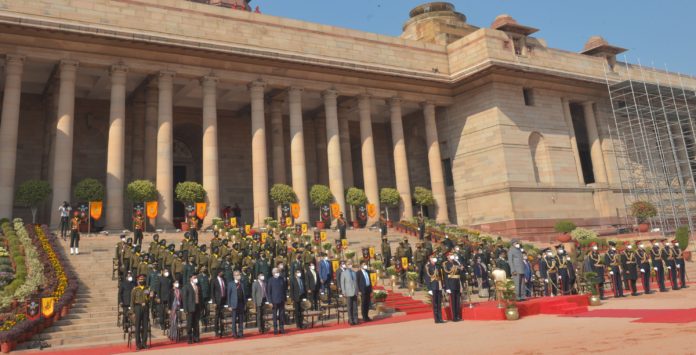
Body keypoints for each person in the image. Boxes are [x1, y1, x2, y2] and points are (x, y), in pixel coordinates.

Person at [130, 274, 152, 350]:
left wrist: (151, 297)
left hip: (145, 307)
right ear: (137, 281)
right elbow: (132, 302)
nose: (142, 281)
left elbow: (149, 299)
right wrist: (132, 312)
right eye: (140, 279)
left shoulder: (147, 288)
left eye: (143, 279)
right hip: (137, 307)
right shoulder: (135, 289)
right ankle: (138, 345)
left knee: (145, 327)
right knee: (138, 327)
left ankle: (144, 344)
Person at [182, 274, 201, 344]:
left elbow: (200, 297)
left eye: (196, 277)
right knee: (189, 324)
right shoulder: (186, 287)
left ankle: (196, 337)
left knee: (196, 324)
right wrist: (185, 309)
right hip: (190, 308)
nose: (196, 279)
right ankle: (189, 338)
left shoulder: (198, 286)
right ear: (191, 279)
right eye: (194, 277)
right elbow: (184, 299)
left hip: (197, 306)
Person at [267, 267, 287, 334]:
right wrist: (269, 301)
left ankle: (282, 328)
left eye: (278, 272)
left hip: (281, 300)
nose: (277, 273)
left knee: (281, 315)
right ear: (273, 273)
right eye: (276, 272)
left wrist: (285, 299)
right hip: (274, 301)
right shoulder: (270, 280)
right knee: (275, 316)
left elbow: (284, 289)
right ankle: (275, 329)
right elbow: (268, 292)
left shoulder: (281, 279)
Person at [443, 254, 461, 322]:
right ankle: (454, 317)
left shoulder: (456, 263)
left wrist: (460, 265)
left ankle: (458, 316)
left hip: (457, 284)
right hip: (451, 284)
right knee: (453, 302)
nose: (452, 257)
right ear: (447, 257)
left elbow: (460, 272)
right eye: (450, 256)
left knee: (457, 301)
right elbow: (446, 276)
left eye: (452, 256)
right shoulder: (446, 264)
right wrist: (447, 287)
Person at [425, 255, 444, 323]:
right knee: (435, 303)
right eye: (433, 258)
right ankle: (436, 319)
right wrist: (429, 289)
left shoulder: (438, 266)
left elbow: (441, 276)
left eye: (435, 258)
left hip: (438, 285)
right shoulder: (428, 267)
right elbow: (427, 278)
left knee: (439, 302)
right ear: (430, 259)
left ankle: (440, 318)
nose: (434, 259)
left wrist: (442, 285)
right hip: (433, 285)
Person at [227, 271, 245, 338]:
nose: (239, 276)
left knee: (241, 319)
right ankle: (234, 333)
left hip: (241, 304)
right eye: (237, 275)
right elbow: (228, 295)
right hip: (234, 304)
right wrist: (229, 305)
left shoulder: (242, 284)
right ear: (234, 276)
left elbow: (243, 294)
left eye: (239, 275)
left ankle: (241, 333)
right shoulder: (230, 284)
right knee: (234, 320)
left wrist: (244, 303)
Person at [210, 270, 227, 337]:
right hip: (217, 301)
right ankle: (216, 331)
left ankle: (222, 331)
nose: (222, 273)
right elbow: (212, 292)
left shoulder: (224, 279)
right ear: (218, 272)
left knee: (222, 316)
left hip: (223, 300)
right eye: (221, 272)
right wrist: (214, 302)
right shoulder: (214, 280)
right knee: (217, 317)